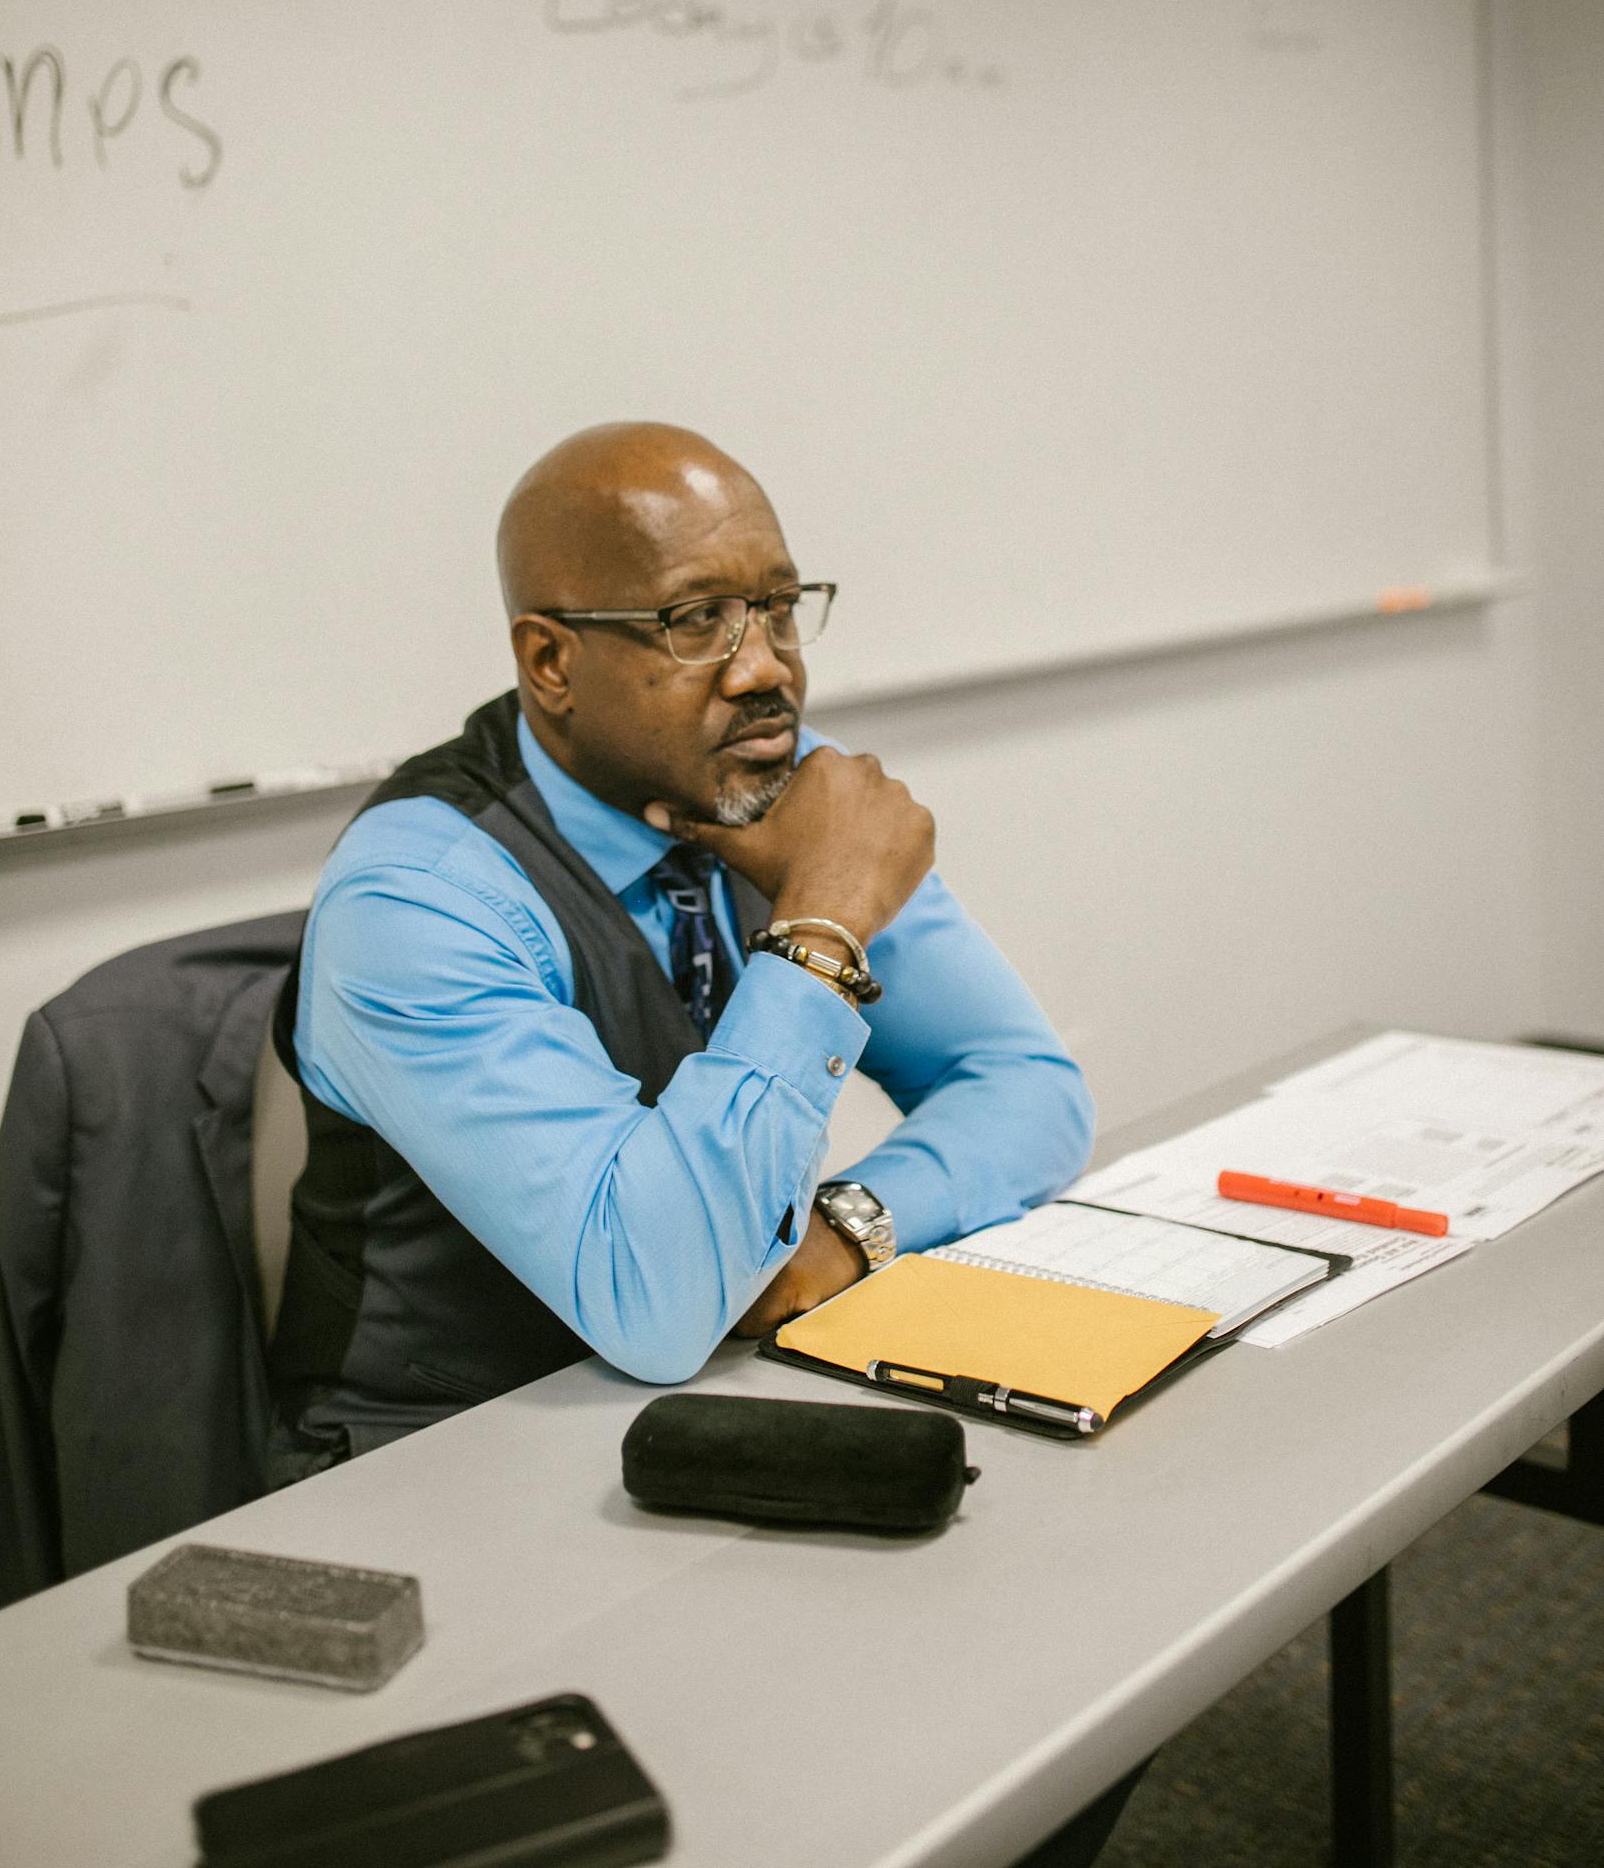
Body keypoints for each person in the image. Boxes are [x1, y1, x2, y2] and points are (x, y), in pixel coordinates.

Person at [267, 421, 1094, 1465]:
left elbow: (1027, 1083)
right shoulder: (416, 899)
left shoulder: (779, 790)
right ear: (551, 661)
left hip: (704, 1421)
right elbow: (656, 1301)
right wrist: (821, 921)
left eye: (780, 610)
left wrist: (844, 1233)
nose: (764, 669)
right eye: (697, 619)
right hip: (443, 1469)